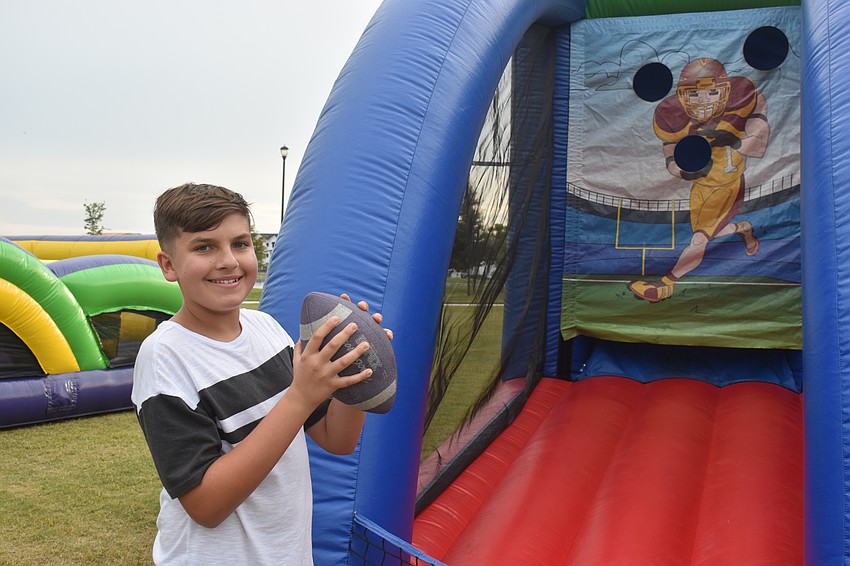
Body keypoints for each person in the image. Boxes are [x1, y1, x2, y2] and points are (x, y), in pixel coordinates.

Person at [132, 182, 385, 564]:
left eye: (240, 243)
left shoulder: (267, 330)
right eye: (204, 247)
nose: (228, 261)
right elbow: (207, 505)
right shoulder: (165, 355)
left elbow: (337, 440)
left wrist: (353, 373)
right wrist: (300, 396)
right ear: (169, 265)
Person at [628, 57, 768, 303]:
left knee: (700, 238)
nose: (703, 101)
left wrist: (732, 139)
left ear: (725, 92)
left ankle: (665, 285)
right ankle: (743, 229)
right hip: (701, 186)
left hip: (728, 186)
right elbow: (670, 154)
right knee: (707, 234)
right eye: (694, 94)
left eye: (712, 92)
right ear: (682, 96)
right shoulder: (677, 121)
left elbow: (758, 140)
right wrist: (681, 170)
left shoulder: (743, 106)